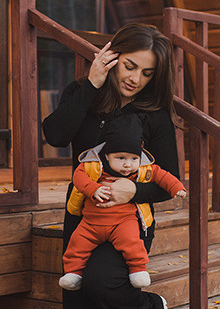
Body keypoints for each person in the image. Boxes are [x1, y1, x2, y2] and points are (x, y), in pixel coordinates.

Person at [42, 23, 181, 309]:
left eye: (147, 73)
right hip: (82, 219)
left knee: (101, 281)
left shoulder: (153, 115)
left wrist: (132, 191)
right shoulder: (83, 93)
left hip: (129, 223)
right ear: (112, 56)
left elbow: (169, 182)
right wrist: (91, 83)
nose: (135, 78)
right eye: (130, 66)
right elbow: (55, 134)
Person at [60, 113, 186, 290]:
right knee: (77, 243)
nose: (128, 164)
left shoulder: (142, 169)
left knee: (132, 243)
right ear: (107, 156)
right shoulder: (93, 166)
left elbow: (162, 175)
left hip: (123, 221)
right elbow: (78, 177)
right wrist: (93, 189)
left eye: (134, 158)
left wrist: (176, 187)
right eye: (121, 158)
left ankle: (138, 270)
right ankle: (73, 274)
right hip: (91, 222)